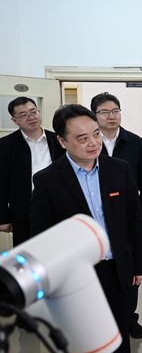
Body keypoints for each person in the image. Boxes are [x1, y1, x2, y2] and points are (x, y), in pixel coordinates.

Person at [30, 104, 142, 353]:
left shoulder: (119, 170)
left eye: (95, 134)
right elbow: (42, 237)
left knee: (119, 346)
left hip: (116, 272)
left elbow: (132, 222)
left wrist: (139, 266)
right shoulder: (48, 181)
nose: (93, 142)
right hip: (75, 281)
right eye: (82, 138)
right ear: (62, 142)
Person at [91, 92, 142, 339]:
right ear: (94, 115)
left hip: (128, 216)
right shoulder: (90, 143)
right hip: (97, 217)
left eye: (115, 111)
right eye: (105, 112)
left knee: (130, 268)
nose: (111, 116)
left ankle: (129, 318)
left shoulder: (135, 142)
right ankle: (103, 320)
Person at [0, 97, 64, 246]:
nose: (31, 117)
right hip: (24, 211)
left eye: (33, 112)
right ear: (14, 120)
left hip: (58, 206)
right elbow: (1, 183)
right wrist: (3, 218)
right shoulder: (5, 145)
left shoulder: (58, 140)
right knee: (28, 252)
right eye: (23, 115)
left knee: (60, 249)